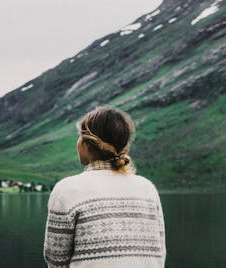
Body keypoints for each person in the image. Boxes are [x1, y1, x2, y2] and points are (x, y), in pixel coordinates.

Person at [43, 106, 165, 268]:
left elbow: (56, 260)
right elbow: (159, 253)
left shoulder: (67, 190)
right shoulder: (147, 188)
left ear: (86, 144)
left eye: (79, 136)